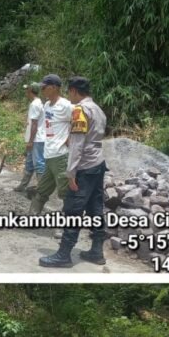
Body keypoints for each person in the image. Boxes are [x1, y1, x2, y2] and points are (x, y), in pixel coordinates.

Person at [39, 76, 109, 268]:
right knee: (95, 208)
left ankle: (64, 254)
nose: (69, 96)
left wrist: (71, 173)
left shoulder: (80, 110)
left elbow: (77, 144)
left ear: (74, 91)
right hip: (98, 164)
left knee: (73, 209)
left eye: (70, 92)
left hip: (85, 167)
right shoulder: (97, 109)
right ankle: (96, 251)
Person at [29, 74, 72, 215]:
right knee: (42, 190)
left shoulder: (65, 105)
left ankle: (68, 227)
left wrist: (69, 138)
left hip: (61, 156)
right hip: (49, 155)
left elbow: (80, 122)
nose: (42, 90)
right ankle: (31, 217)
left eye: (44, 87)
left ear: (54, 87)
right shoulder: (47, 105)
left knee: (66, 193)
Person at [15, 83, 46, 194]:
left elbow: (34, 124)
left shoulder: (35, 104)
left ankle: (42, 190)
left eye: (27, 90)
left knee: (39, 163)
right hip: (35, 138)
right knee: (29, 163)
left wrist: (31, 141)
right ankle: (22, 186)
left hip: (37, 139)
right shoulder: (38, 103)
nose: (26, 92)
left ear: (30, 91)